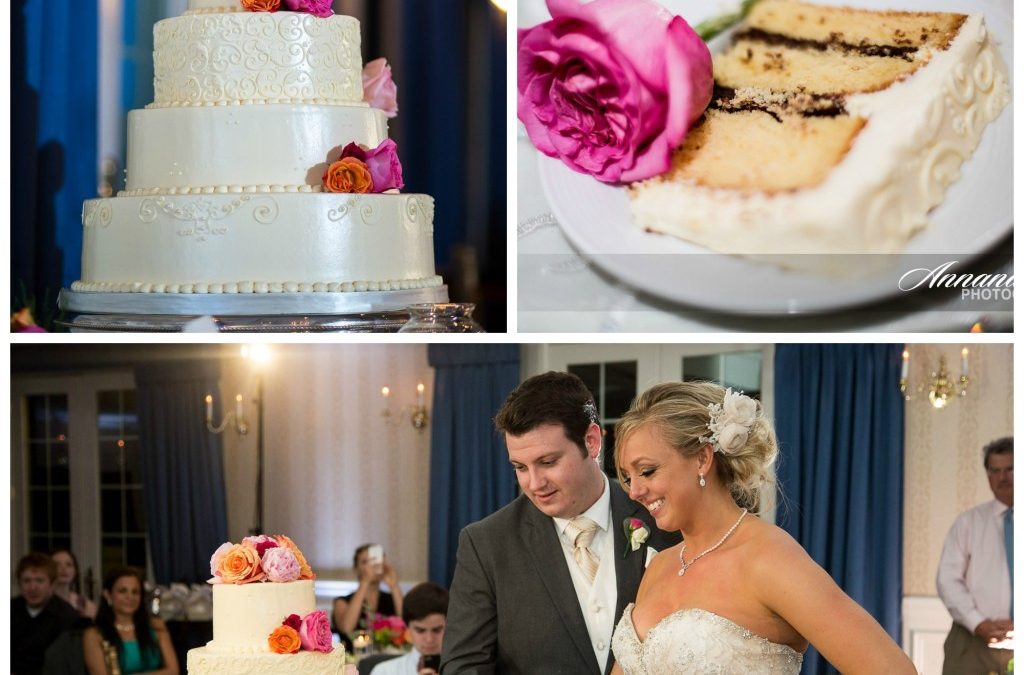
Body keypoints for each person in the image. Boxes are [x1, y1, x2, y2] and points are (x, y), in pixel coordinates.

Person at [610, 381, 916, 674]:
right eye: (626, 477)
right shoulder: (660, 565)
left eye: (647, 471)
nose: (634, 491)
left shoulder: (768, 558)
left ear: (702, 459)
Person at [441, 371, 679, 674]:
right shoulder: (486, 544)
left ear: (591, 442)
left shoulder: (662, 518)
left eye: (548, 462)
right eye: (520, 467)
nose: (534, 483)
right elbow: (463, 667)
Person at [936, 436, 1014, 675]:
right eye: (995, 471)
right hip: (971, 642)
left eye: (1010, 469)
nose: (1003, 477)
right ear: (988, 475)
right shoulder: (969, 523)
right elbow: (947, 580)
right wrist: (978, 622)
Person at [82, 567, 179, 675]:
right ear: (108, 595)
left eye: (135, 592)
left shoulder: (156, 626)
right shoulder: (93, 634)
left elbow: (173, 671)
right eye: (122, 591)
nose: (130, 597)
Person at [11, 552, 80, 675]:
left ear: (52, 585)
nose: (33, 587)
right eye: (27, 581)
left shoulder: (67, 616)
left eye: (39, 581)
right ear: (19, 584)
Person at [333, 544, 405, 646]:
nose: (371, 566)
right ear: (356, 568)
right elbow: (346, 628)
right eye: (365, 562)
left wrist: (394, 586)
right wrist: (365, 582)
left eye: (375, 560)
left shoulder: (391, 599)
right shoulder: (342, 601)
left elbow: (406, 624)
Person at [371, 582, 449, 675]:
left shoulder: (467, 670)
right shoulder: (384, 672)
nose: (429, 639)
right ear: (407, 629)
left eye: (437, 630)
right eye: (420, 631)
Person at [52, 549, 98, 619]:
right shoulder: (41, 602)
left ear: (75, 571)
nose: (64, 569)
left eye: (68, 565)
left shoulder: (86, 605)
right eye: (57, 565)